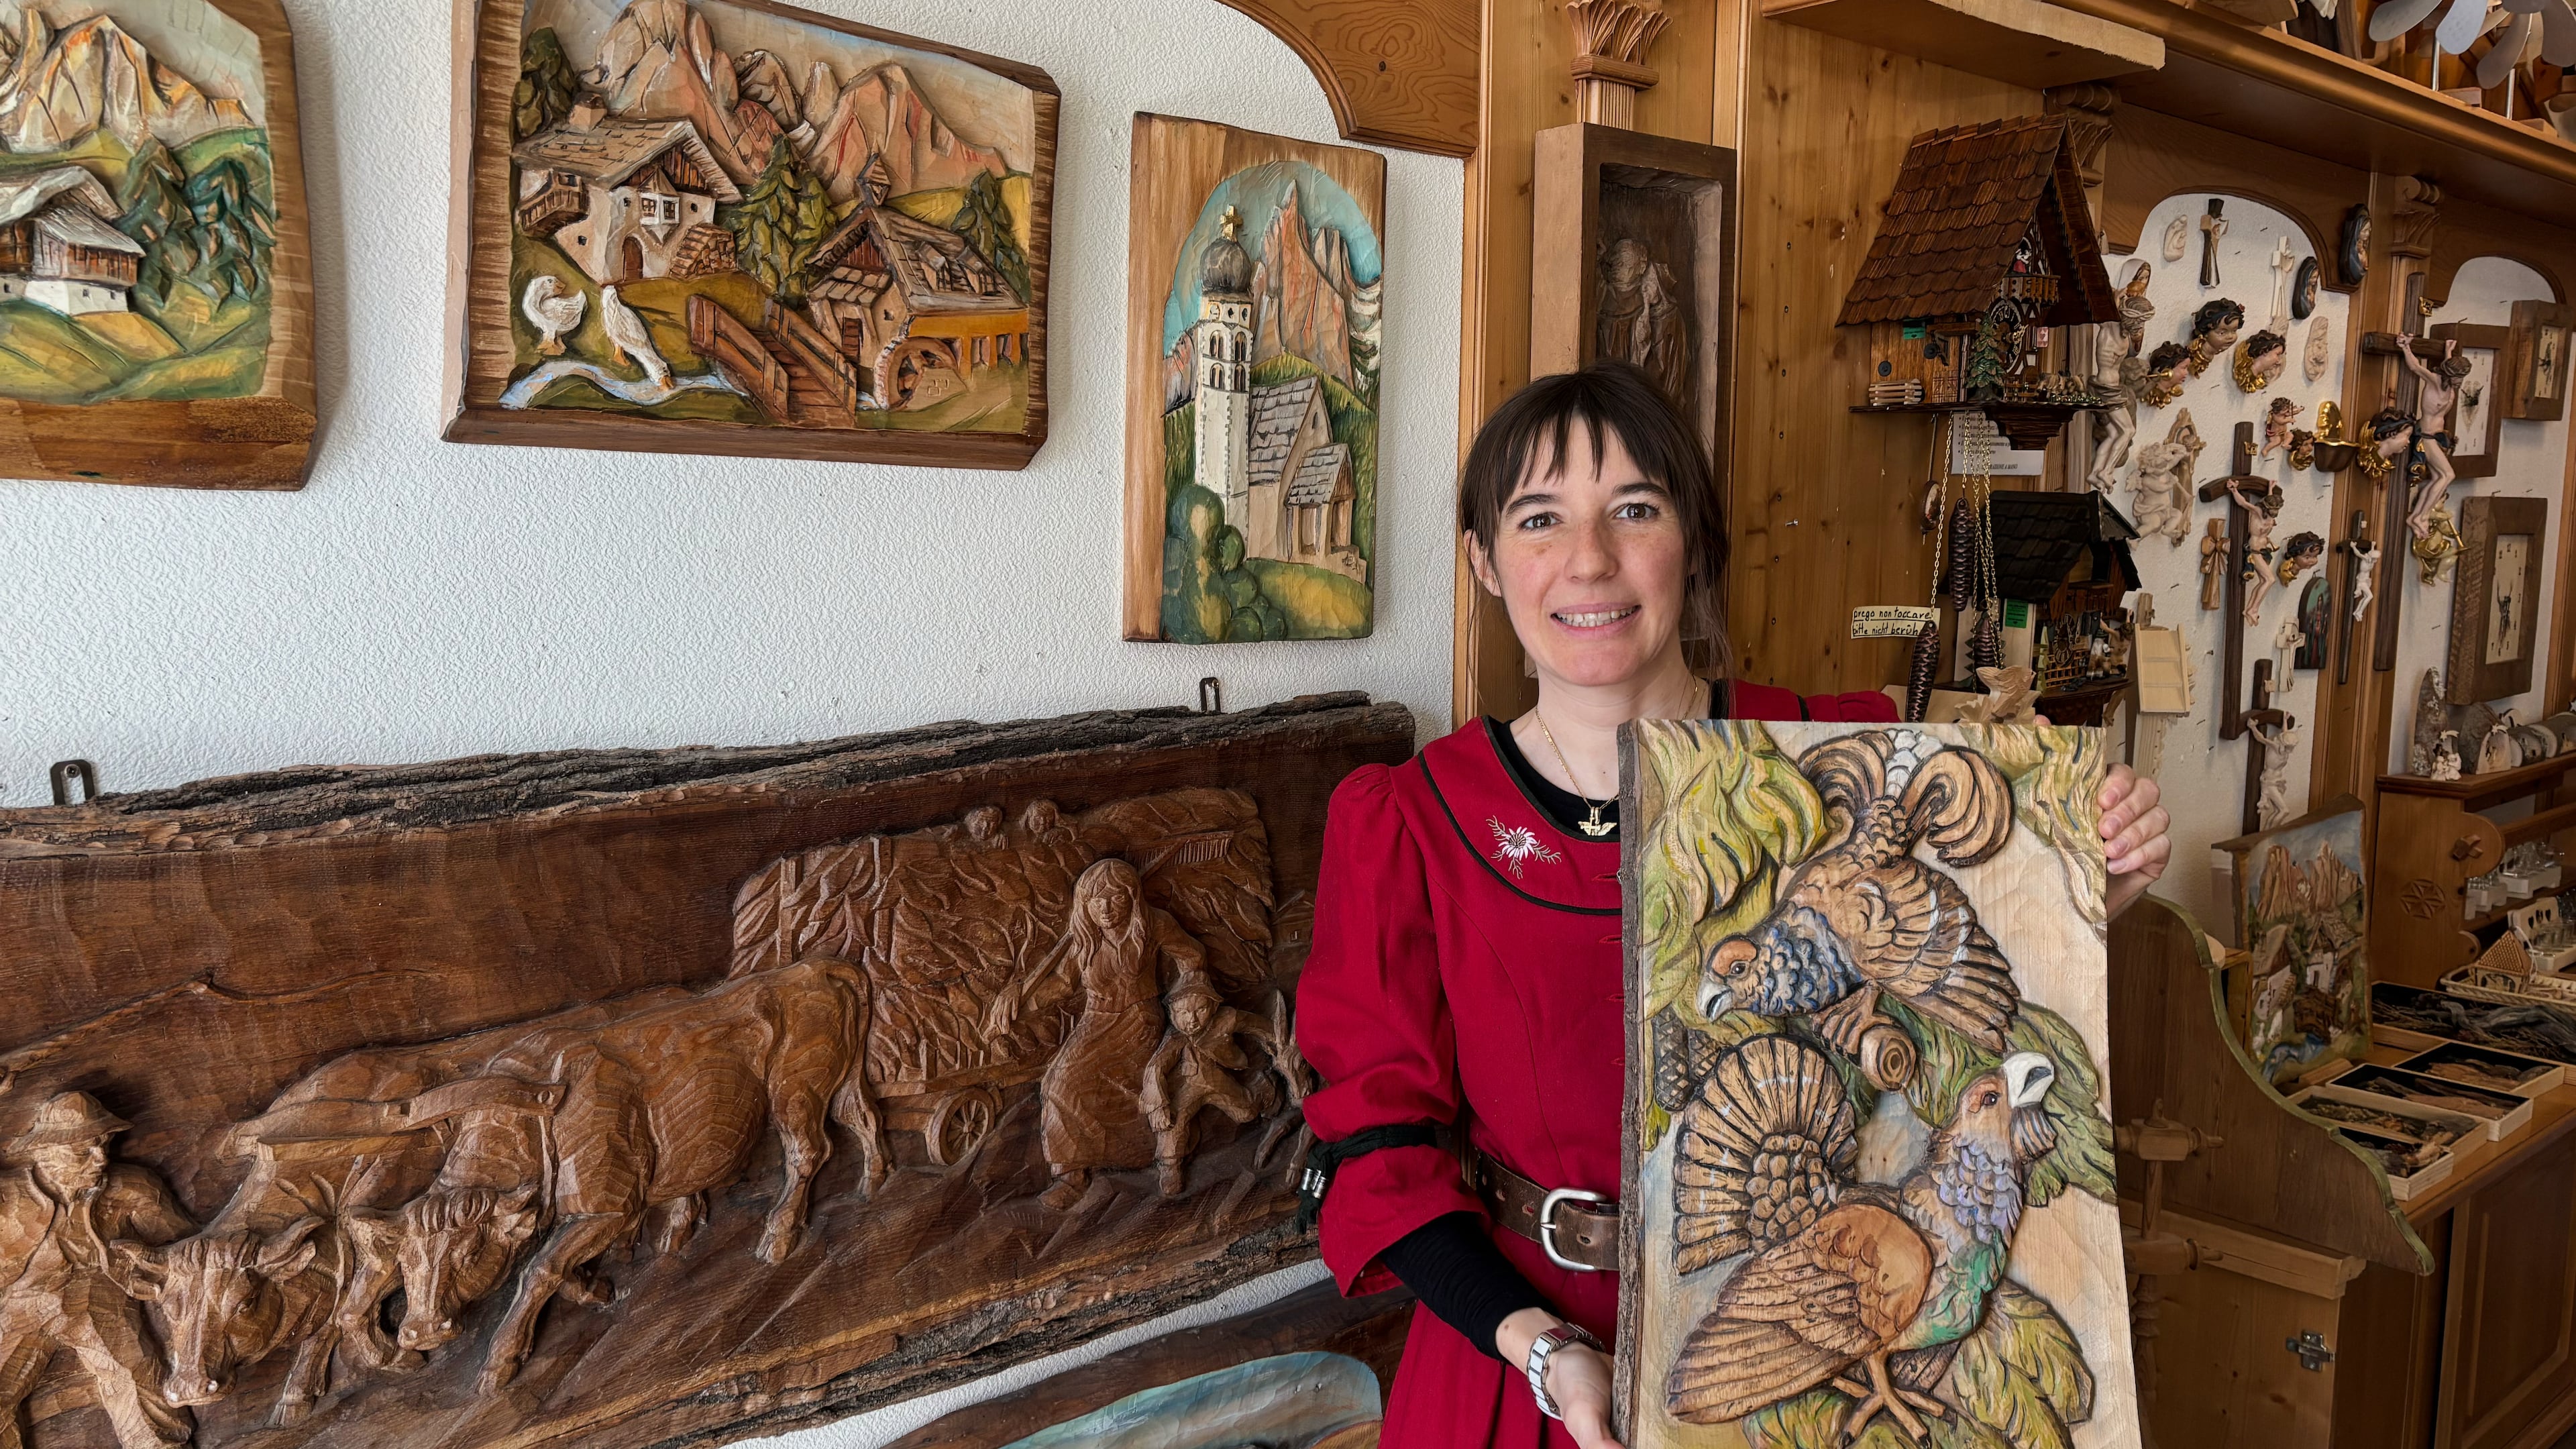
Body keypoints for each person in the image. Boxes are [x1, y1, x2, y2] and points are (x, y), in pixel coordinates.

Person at [1295, 362, 2170, 1449]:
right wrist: (1540, 1347)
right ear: (1483, 560)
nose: (1589, 561)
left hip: (1832, 1351)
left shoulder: (1839, 756)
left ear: (1694, 541)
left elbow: (1964, 975)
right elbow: (1383, 1150)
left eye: (1635, 510)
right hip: (1520, 1372)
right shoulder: (1413, 819)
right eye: (1538, 520)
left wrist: (2093, 882)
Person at [988, 858, 1205, 1209]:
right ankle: (1071, 1175)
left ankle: (1154, 1153)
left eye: (1116, 898)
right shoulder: (1084, 940)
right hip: (1096, 1019)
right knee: (1057, 1083)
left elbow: (1192, 957)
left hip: (1140, 1019)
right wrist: (1020, 1005)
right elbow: (1061, 985)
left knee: (1118, 1081)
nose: (1105, 909)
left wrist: (1187, 1000)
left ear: (1132, 898)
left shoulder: (1153, 926)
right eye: (1096, 900)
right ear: (1084, 903)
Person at [0, 1091, 196, 1449]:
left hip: (97, 1298)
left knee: (137, 1382)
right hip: (22, 1305)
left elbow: (188, 1252)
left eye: (103, 1144)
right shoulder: (8, 1198)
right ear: (44, 1152)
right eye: (82, 1150)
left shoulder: (133, 1187)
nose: (99, 1159)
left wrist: (147, 1266)